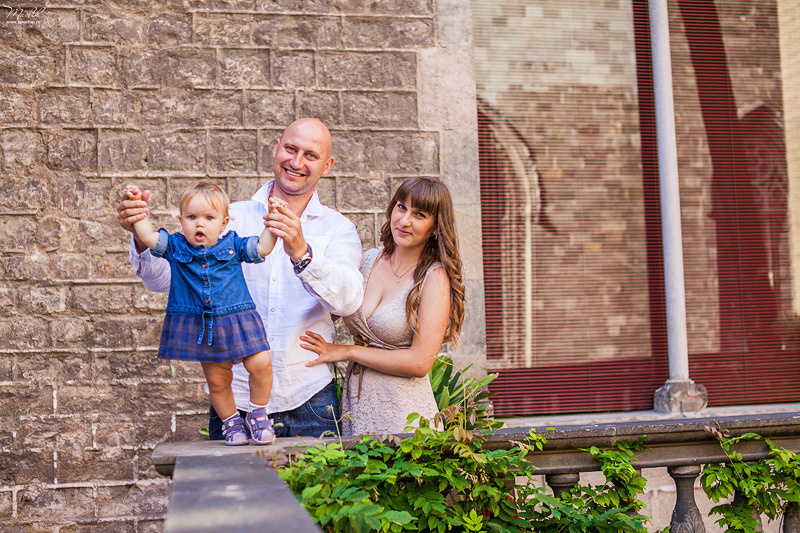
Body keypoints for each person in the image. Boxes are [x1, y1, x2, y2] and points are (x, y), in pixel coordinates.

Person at [117, 118, 364, 439]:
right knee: (234, 492)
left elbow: (348, 301)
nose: (297, 162)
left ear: (327, 165)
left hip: (310, 399)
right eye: (290, 149)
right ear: (276, 149)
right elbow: (161, 279)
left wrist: (302, 252)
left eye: (310, 155)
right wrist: (139, 232)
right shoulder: (227, 218)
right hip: (236, 402)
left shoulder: (337, 229)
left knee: (323, 491)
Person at [301, 176, 466, 435]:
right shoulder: (368, 260)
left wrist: (348, 351)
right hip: (357, 406)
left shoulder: (434, 278)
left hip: (406, 416)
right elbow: (325, 306)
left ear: (435, 227)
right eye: (401, 207)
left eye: (419, 214)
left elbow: (420, 363)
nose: (405, 220)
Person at [124, 181, 284, 446]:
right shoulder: (176, 247)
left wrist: (273, 224)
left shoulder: (233, 244)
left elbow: (263, 248)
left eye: (209, 218)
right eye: (192, 217)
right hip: (205, 325)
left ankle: (257, 413)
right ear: (181, 220)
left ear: (223, 223)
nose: (200, 224)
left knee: (261, 364)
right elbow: (149, 237)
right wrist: (139, 210)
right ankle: (231, 422)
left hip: (239, 318)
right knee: (218, 381)